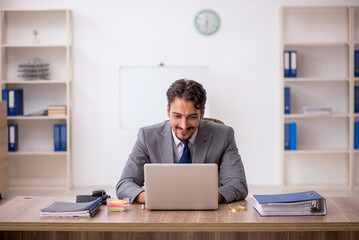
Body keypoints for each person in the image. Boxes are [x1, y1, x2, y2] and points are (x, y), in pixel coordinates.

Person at [116, 79, 248, 204]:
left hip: (206, 214)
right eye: (177, 116)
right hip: (161, 215)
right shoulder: (146, 136)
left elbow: (238, 184)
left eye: (192, 117)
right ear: (168, 111)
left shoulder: (224, 135)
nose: (184, 125)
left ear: (202, 113)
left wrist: (207, 198)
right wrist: (154, 198)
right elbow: (124, 184)